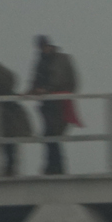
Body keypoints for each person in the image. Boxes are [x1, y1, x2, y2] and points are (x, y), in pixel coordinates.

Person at [26, 36, 80, 175]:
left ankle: (55, 167)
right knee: (49, 135)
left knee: (52, 134)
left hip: (60, 103)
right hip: (48, 105)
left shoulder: (61, 59)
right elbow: (36, 78)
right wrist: (32, 89)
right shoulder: (41, 61)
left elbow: (61, 79)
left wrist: (46, 89)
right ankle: (53, 167)